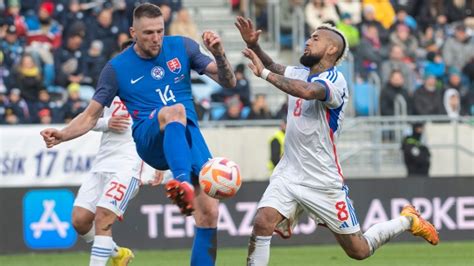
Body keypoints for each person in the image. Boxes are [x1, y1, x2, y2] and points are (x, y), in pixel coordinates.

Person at [41, 3, 236, 266]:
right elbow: (90, 115)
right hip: (149, 138)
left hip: (189, 137)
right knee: (174, 110)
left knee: (209, 214)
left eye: (159, 31)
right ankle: (182, 184)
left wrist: (220, 54)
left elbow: (229, 82)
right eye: (148, 33)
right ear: (133, 32)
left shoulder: (183, 46)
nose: (156, 38)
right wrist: (62, 135)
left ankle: (184, 189)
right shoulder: (116, 68)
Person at [235, 16, 439, 265]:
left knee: (359, 250)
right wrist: (255, 46)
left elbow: (307, 91)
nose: (308, 41)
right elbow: (274, 66)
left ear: (331, 49)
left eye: (315, 38)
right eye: (309, 37)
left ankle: (408, 220)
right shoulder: (300, 72)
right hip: (288, 172)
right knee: (262, 222)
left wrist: (264, 74)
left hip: (322, 179)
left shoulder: (335, 81)